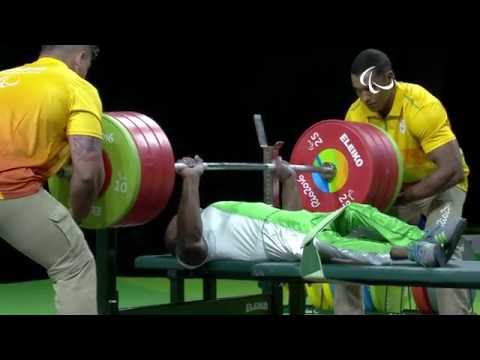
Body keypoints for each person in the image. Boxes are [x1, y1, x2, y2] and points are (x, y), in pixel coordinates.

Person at [337, 48, 471, 315]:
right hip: (394, 192)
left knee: (441, 245)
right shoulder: (356, 115)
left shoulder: (422, 106)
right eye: (358, 91)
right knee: (342, 245)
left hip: (442, 188)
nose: (365, 97)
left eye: (371, 88)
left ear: (389, 77)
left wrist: (407, 197)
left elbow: (452, 170)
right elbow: (358, 173)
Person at [165, 156, 465, 273]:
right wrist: (191, 180)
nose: (176, 221)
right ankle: (416, 252)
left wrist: (288, 178)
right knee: (337, 245)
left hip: (299, 222)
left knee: (356, 211)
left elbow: (293, 214)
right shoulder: (195, 246)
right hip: (295, 241)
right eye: (175, 226)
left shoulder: (215, 211)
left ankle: (423, 238)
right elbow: (190, 240)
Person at [0, 45, 105, 315]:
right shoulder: (77, 87)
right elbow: (87, 172)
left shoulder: (4, 77)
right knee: (75, 266)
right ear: (82, 56)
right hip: (10, 191)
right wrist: (77, 215)